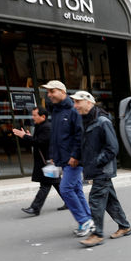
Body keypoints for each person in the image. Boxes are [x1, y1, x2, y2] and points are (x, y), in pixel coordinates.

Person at [71, 91, 131, 248]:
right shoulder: (85, 120)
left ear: (89, 103)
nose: (75, 105)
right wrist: (77, 157)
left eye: (78, 102)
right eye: (74, 102)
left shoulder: (102, 121)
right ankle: (124, 226)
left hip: (102, 169)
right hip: (95, 168)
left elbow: (113, 147)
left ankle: (97, 234)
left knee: (96, 200)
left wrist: (97, 162)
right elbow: (83, 143)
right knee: (110, 200)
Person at [42, 79, 94, 237]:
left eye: (52, 91)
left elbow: (80, 135)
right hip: (62, 158)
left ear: (62, 92)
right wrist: (52, 156)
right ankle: (88, 220)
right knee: (76, 189)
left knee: (65, 189)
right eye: (48, 91)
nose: (49, 94)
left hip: (73, 159)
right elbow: (56, 137)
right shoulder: (56, 111)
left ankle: (85, 221)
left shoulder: (73, 110)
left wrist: (75, 156)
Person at [13, 106, 67, 216]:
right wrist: (28, 136)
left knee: (45, 184)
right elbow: (38, 141)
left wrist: (24, 136)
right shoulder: (41, 126)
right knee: (56, 183)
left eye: (34, 115)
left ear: (43, 116)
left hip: (49, 160)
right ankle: (70, 202)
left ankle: (35, 208)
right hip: (46, 160)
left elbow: (40, 142)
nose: (33, 118)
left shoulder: (47, 127)